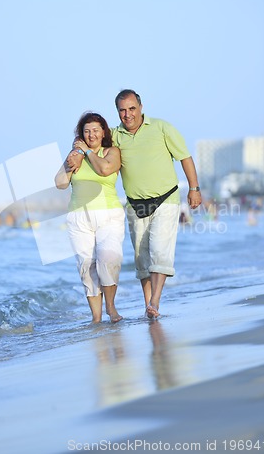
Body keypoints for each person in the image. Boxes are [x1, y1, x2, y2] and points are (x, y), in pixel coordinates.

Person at [68, 90, 202, 319]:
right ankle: (147, 304)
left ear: (140, 107)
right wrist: (79, 147)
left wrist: (194, 188)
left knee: (160, 251)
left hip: (166, 198)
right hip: (135, 203)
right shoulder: (116, 135)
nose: (127, 114)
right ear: (117, 112)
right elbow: (94, 141)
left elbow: (184, 157)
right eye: (122, 110)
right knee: (142, 259)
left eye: (131, 108)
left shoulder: (161, 128)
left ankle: (155, 302)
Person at [55, 112, 125, 324]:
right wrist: (71, 161)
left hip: (109, 215)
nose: (91, 134)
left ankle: (111, 308)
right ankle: (96, 317)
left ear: (103, 132)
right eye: (86, 131)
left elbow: (104, 169)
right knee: (87, 268)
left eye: (95, 130)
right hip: (78, 217)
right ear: (81, 134)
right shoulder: (75, 154)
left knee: (108, 260)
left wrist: (85, 151)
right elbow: (60, 183)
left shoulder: (111, 152)